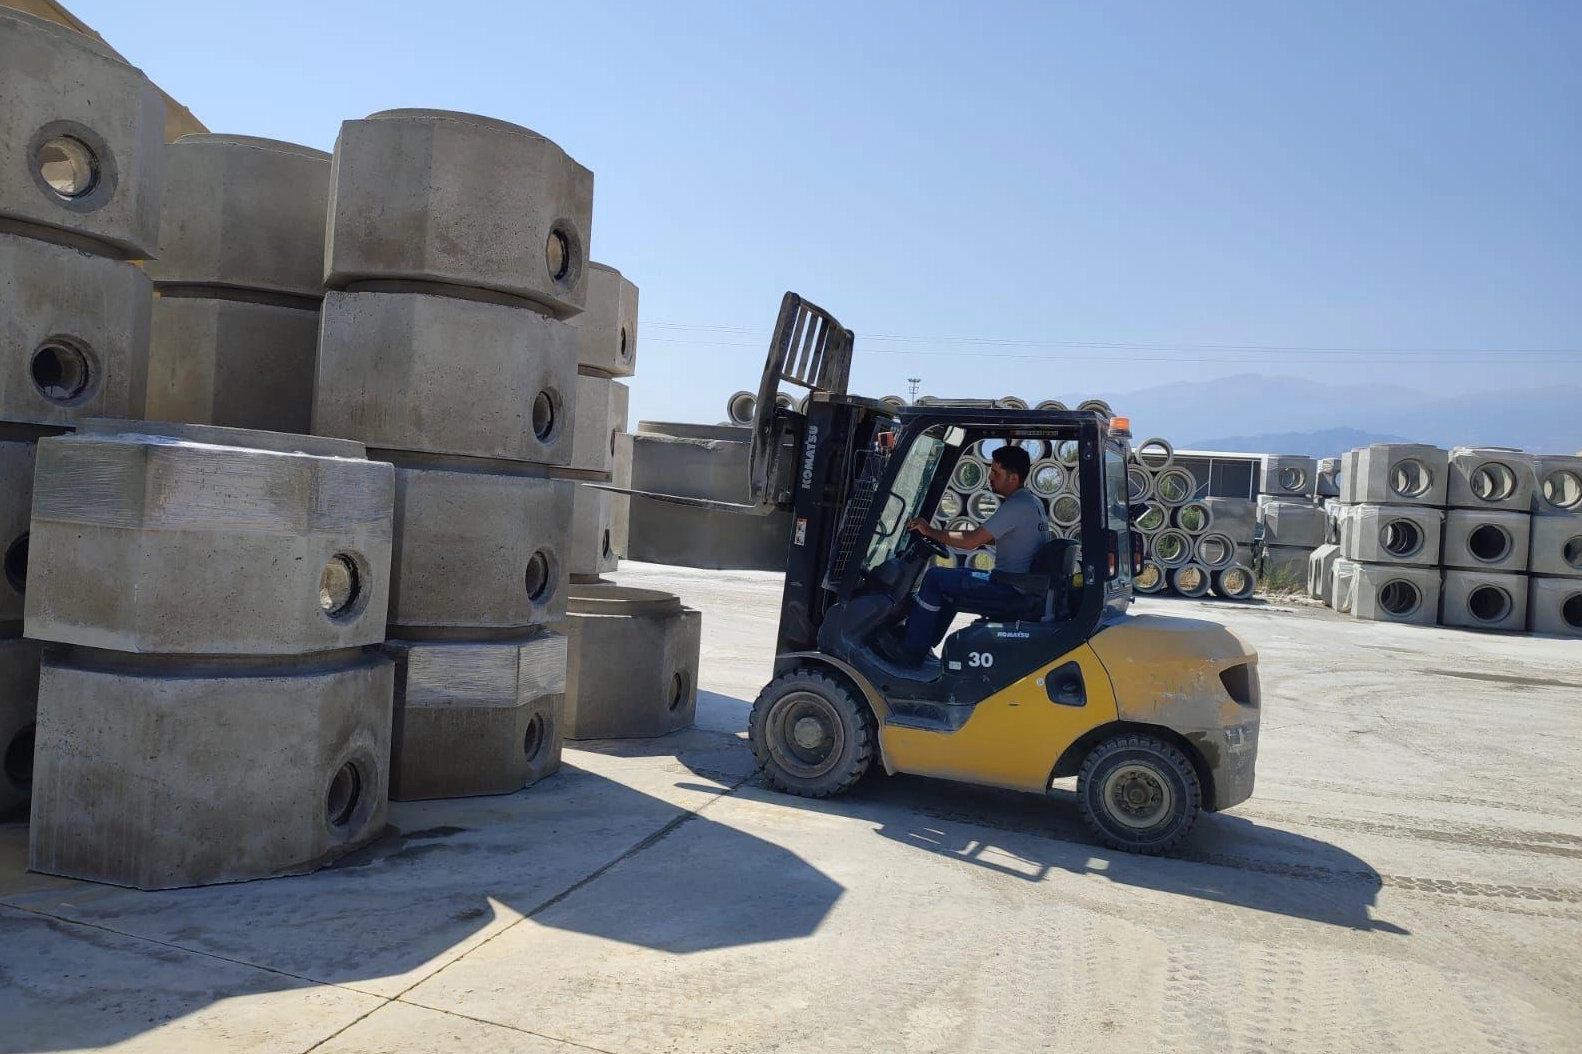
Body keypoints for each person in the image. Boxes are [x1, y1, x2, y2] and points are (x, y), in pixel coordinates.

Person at [879, 444, 1051, 667]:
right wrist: (955, 535)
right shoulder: (1031, 502)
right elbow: (994, 538)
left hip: (1009, 588)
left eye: (996, 472)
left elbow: (970, 542)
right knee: (954, 576)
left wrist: (929, 531)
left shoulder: (1017, 505)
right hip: (1016, 583)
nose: (990, 477)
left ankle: (911, 651)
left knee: (934, 578)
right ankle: (922, 642)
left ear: (1013, 478)